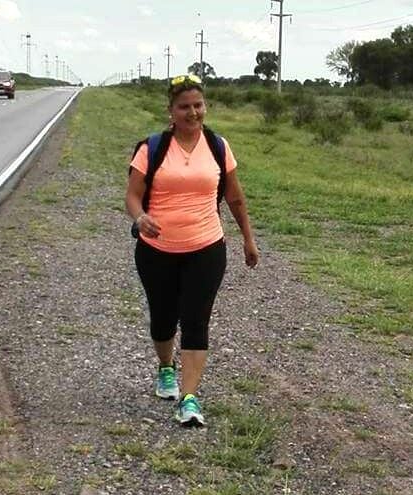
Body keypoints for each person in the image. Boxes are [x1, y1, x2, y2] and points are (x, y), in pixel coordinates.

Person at [125, 74, 259, 427]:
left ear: (205, 107)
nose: (193, 112)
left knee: (196, 320)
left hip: (206, 248)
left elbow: (234, 197)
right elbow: (133, 196)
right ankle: (165, 367)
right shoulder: (152, 148)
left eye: (198, 105)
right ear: (171, 111)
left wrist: (248, 238)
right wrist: (140, 218)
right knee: (163, 317)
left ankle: (189, 397)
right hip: (156, 251)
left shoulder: (217, 146)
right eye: (184, 106)